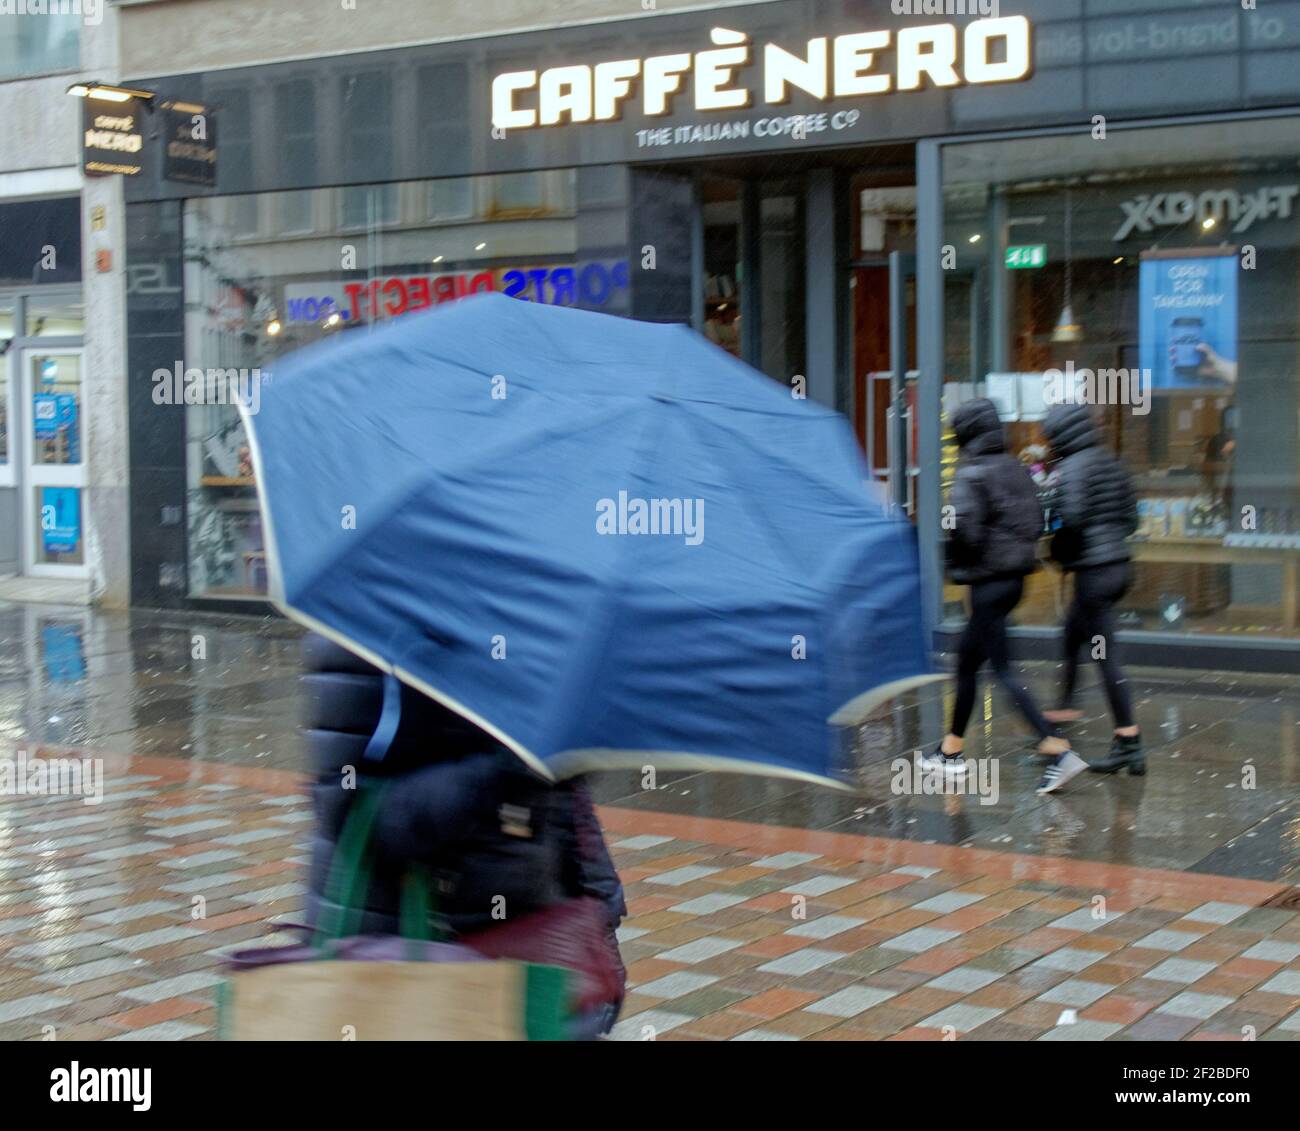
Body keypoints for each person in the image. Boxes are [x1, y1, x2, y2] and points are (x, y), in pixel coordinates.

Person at [300, 632, 627, 1035]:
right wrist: (500, 773)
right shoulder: (363, 628)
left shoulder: (531, 619)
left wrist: (598, 898)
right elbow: (353, 810)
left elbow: (559, 793)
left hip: (526, 934)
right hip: (404, 940)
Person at [930, 398, 1088, 795]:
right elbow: (1037, 520)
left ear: (964, 435)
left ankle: (1056, 749)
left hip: (987, 584)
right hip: (1014, 580)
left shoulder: (972, 474)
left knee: (1002, 670)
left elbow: (963, 531)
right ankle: (950, 751)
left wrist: (954, 558)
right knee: (968, 664)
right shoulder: (1016, 468)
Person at [1040, 403, 1143, 775]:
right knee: (1072, 632)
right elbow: (1131, 518)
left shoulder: (1072, 467)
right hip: (1118, 567)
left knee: (1105, 655)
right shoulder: (1110, 462)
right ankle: (1063, 708)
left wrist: (1059, 549)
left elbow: (1073, 518)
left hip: (1094, 574)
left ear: (1060, 436)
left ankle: (1129, 742)